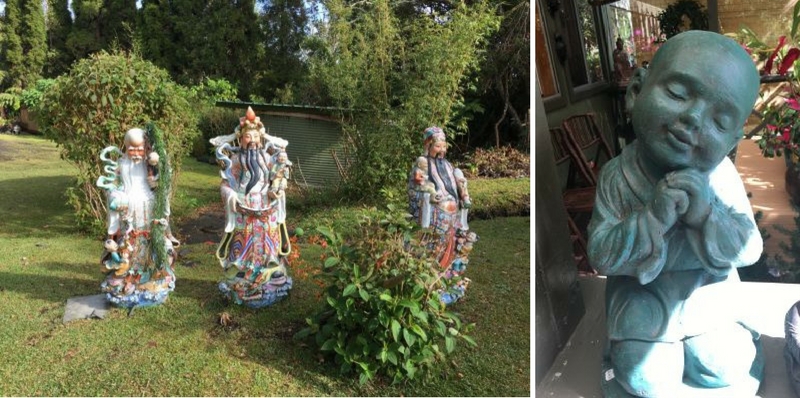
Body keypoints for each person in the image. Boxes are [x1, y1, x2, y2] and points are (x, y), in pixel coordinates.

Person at [587, 31, 764, 397]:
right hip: (641, 295)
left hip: (706, 289)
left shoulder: (721, 176)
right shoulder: (617, 176)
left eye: (719, 121)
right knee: (645, 381)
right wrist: (651, 217)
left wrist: (706, 215)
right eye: (678, 94)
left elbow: (749, 249)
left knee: (723, 367)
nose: (693, 119)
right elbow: (602, 255)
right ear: (636, 91)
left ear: (732, 142)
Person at [210, 107, 292, 308]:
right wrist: (232, 196)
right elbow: (226, 185)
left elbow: (277, 178)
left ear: (261, 137)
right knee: (243, 239)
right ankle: (241, 271)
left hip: (266, 206)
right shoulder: (236, 160)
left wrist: (277, 190)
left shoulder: (267, 158)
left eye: (256, 136)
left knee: (269, 238)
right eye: (248, 136)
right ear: (241, 139)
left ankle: (270, 269)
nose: (253, 140)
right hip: (244, 207)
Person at [96, 126, 178, 308]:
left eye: (139, 148)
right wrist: (116, 198)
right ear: (125, 147)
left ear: (146, 147)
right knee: (128, 243)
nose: (135, 152)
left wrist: (157, 177)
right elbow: (113, 186)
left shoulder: (150, 165)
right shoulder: (121, 165)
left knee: (151, 242)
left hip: (149, 207)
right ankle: (128, 276)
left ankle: (150, 276)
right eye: (131, 148)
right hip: (128, 210)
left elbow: (163, 183)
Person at [407, 127, 477, 305]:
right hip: (435, 215)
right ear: (429, 145)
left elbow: (456, 183)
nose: (442, 150)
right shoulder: (423, 162)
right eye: (438, 146)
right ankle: (428, 280)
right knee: (433, 245)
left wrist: (463, 195)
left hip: (451, 215)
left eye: (444, 146)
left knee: (451, 245)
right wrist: (430, 193)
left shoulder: (448, 165)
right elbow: (418, 182)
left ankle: (445, 279)